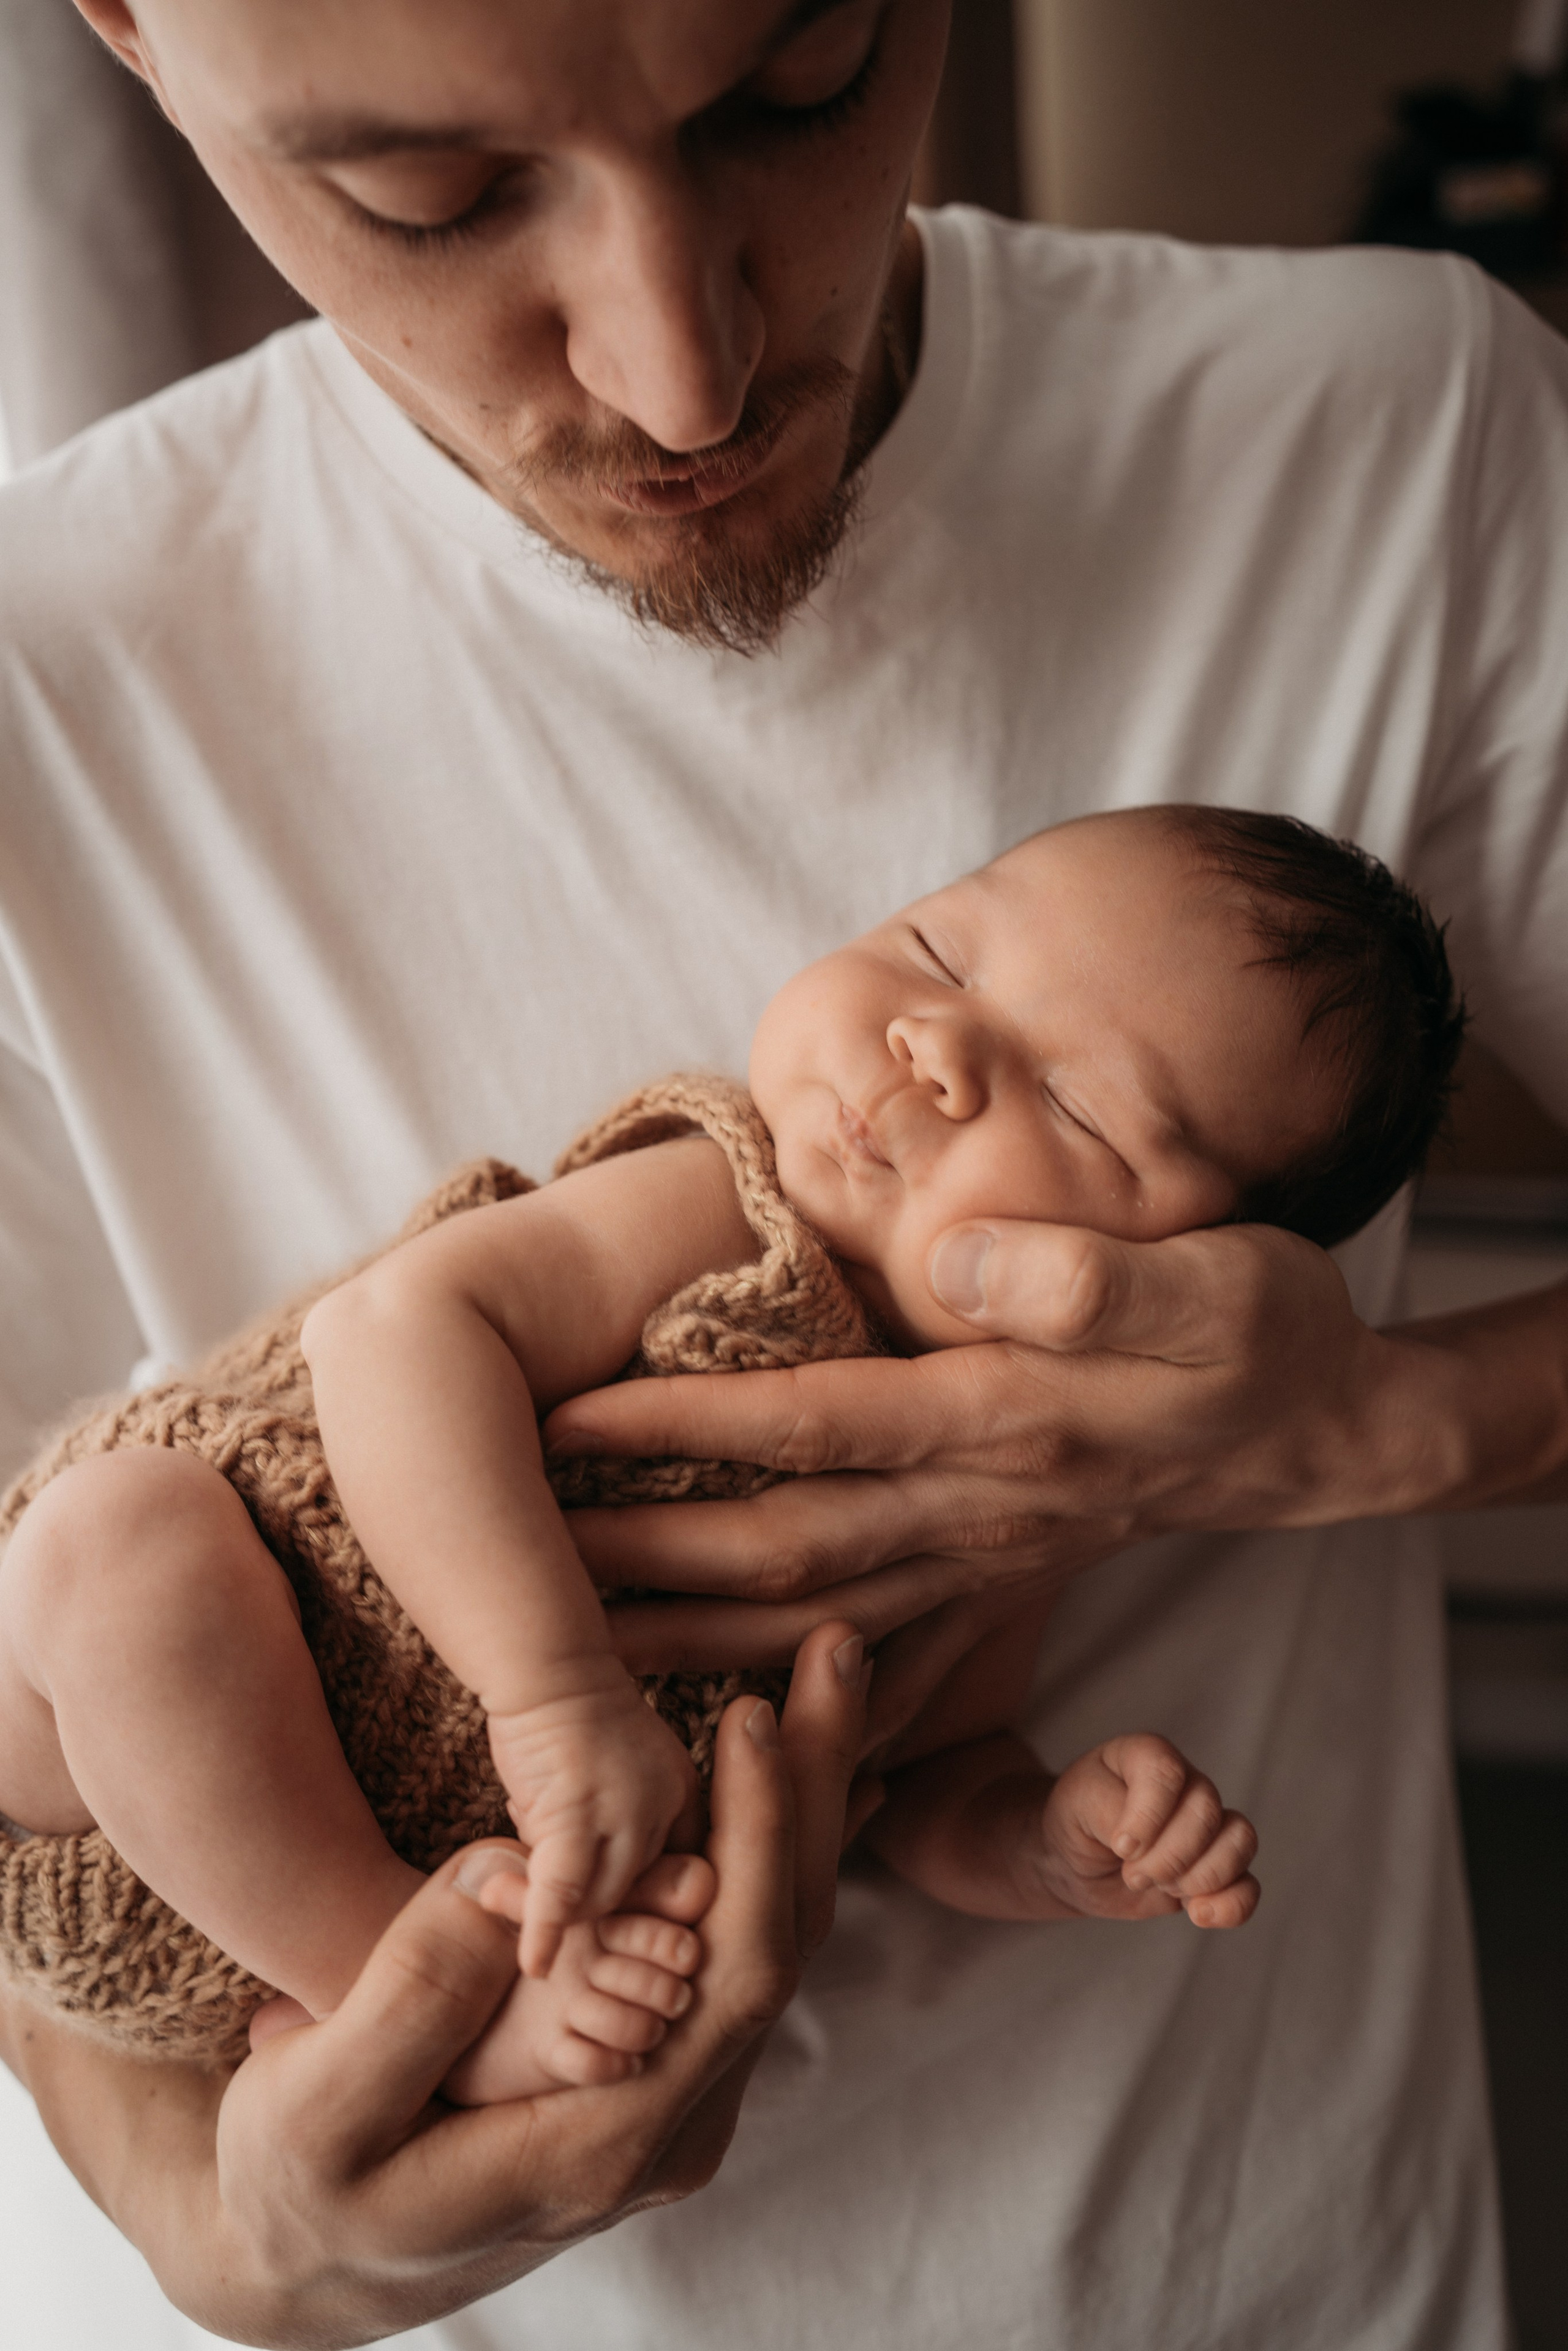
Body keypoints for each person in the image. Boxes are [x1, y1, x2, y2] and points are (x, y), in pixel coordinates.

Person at [0, 0, 1565, 2344]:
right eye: (429, 190)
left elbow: (914, 1786)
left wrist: (1384, 1429)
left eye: (799, 82)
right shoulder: (44, 663)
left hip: (1228, 2278)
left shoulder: (1399, 428)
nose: (682, 373)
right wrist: (238, 2237)